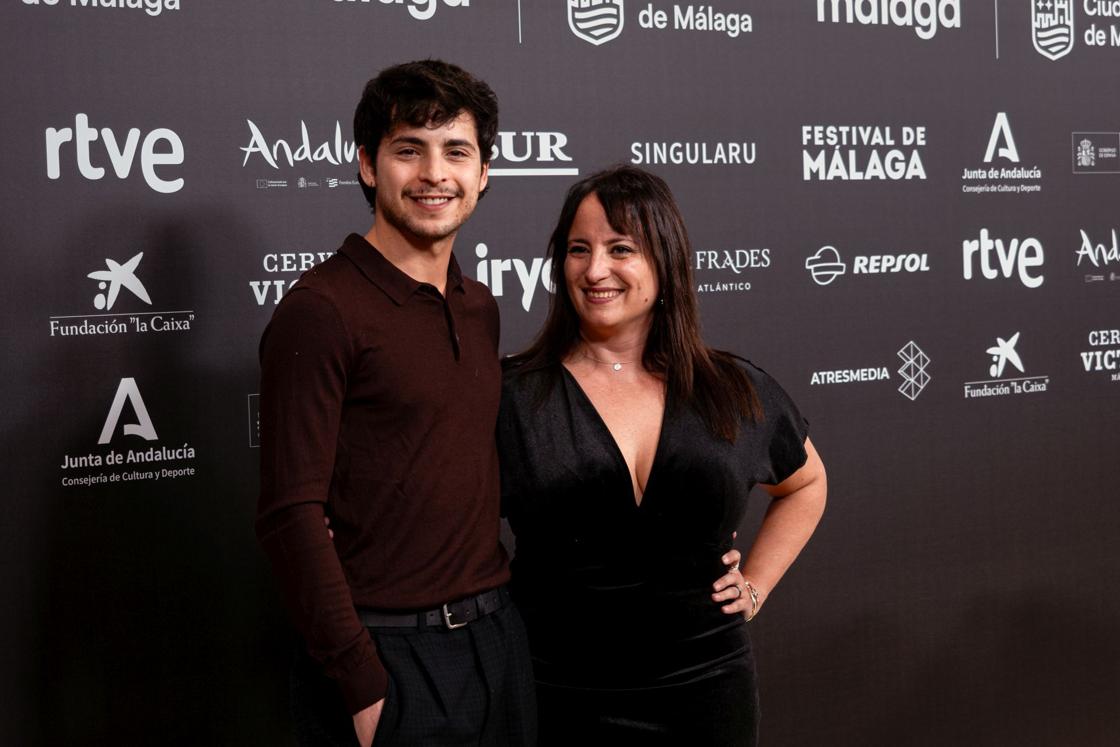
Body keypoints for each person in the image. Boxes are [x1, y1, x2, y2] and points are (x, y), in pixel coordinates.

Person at [497, 165, 827, 745]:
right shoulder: (512, 396)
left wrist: (756, 584)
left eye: (620, 248)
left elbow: (806, 483)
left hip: (708, 685)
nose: (595, 269)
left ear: (665, 261)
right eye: (579, 249)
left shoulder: (731, 388)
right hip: (557, 692)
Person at [256, 60, 535, 747]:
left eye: (456, 151)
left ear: (484, 172)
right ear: (366, 166)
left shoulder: (480, 307)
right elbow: (291, 512)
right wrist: (362, 684)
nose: (434, 173)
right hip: (387, 658)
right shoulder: (320, 310)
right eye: (409, 149)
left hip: (498, 643)